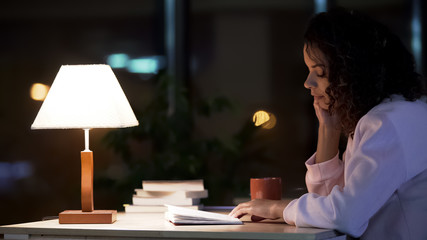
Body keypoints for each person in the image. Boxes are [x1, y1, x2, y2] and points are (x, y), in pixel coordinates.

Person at [229, 7, 427, 239]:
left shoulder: (388, 122)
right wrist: (328, 128)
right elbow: (327, 203)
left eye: (319, 72)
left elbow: (346, 215)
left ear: (353, 72)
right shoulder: (390, 115)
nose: (307, 82)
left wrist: (277, 208)